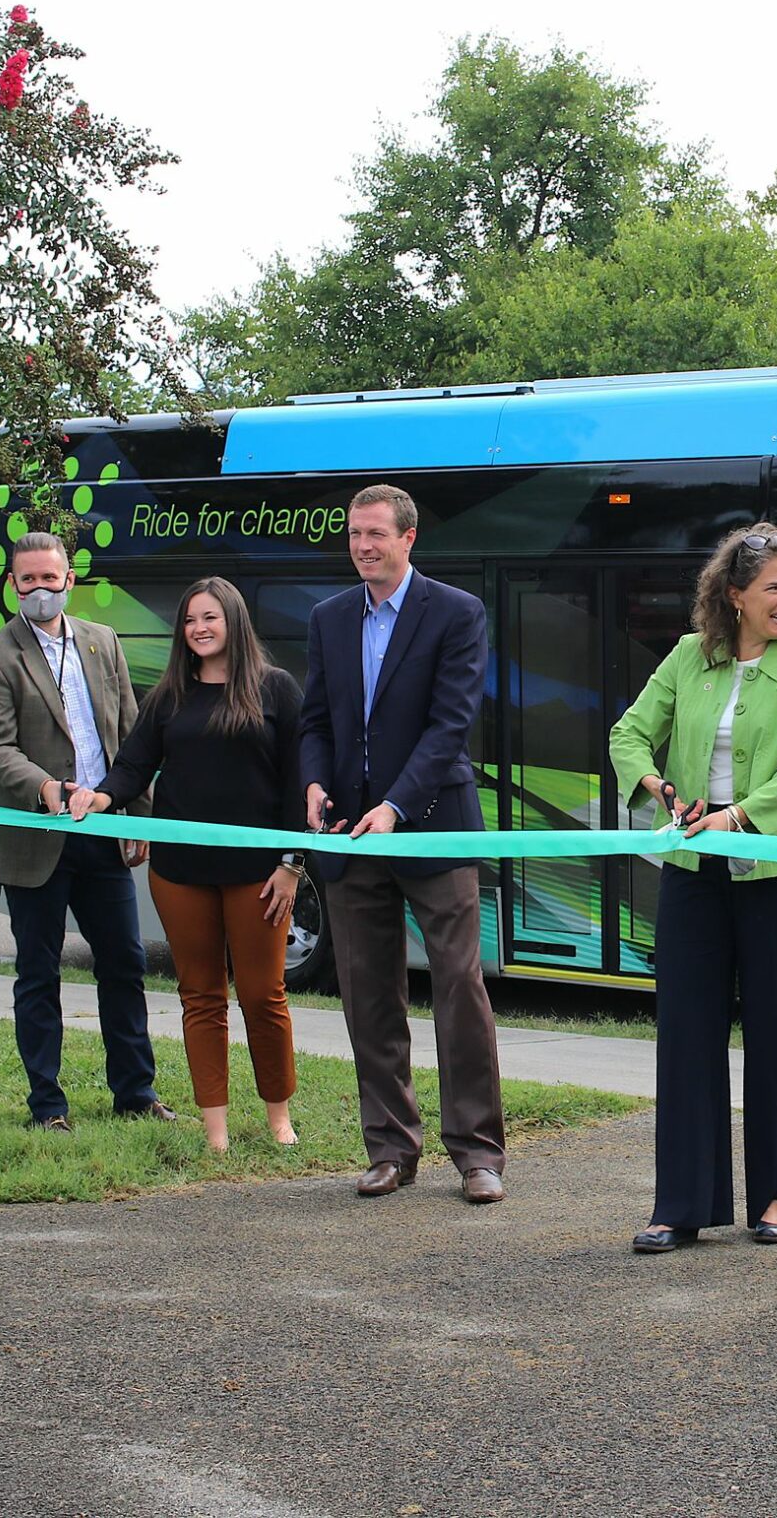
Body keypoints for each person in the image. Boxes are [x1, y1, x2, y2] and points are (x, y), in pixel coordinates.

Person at [609, 524, 777, 1252]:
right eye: (774, 587)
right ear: (734, 594)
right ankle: (680, 1205)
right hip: (692, 873)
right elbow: (626, 734)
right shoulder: (687, 656)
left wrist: (735, 817)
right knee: (686, 1035)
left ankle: (776, 1197)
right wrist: (655, 784)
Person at [298, 484, 507, 1204]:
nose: (363, 546)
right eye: (355, 534)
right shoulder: (328, 619)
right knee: (367, 994)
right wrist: (316, 783)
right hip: (350, 837)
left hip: (434, 826)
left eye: (376, 534)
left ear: (408, 538)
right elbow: (315, 721)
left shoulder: (455, 612)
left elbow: (451, 725)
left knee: (458, 988)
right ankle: (389, 1148)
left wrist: (394, 805)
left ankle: (478, 1155)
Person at [69, 578, 305, 1153]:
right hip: (179, 874)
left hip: (259, 874)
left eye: (210, 617)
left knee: (262, 994)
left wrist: (292, 864)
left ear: (234, 622)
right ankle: (216, 1130)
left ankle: (279, 1119)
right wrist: (99, 798)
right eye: (191, 620)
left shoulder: (276, 690)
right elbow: (131, 768)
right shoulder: (170, 695)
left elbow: (299, 783)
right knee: (200, 996)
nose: (199, 628)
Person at [0, 531, 174, 1130]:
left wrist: (138, 814)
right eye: (27, 580)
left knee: (125, 964)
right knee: (39, 974)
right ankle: (47, 1106)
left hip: (103, 829)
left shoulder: (104, 644)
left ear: (69, 580)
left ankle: (135, 1094)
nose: (40, 589)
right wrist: (47, 789)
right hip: (36, 838)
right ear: (12, 586)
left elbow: (133, 738)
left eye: (49, 578)